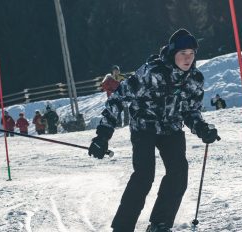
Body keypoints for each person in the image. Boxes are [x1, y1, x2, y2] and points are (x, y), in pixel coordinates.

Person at [88, 29, 219, 232]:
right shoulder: (151, 73)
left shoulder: (194, 79)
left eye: (191, 54)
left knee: (178, 173)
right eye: (183, 53)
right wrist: (102, 135)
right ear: (173, 53)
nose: (188, 58)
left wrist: (202, 128)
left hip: (172, 129)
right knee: (144, 175)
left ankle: (160, 224)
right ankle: (123, 227)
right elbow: (118, 98)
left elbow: (191, 112)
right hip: (144, 128)